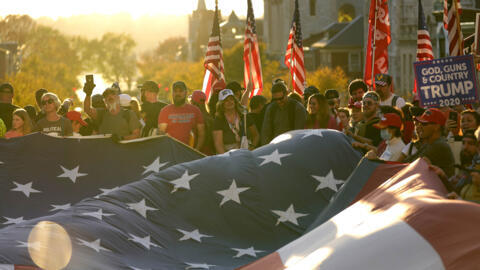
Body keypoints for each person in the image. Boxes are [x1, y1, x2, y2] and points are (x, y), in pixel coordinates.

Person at [404, 108, 455, 177]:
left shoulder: (439, 145)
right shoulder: (429, 143)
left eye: (424, 124)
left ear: (437, 127)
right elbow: (407, 162)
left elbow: (411, 165)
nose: (419, 126)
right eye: (420, 123)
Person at [158, 81, 205, 150]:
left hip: (190, 152)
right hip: (171, 152)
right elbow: (161, 133)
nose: (178, 93)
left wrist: (196, 151)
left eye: (180, 91)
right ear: (172, 93)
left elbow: (202, 134)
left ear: (186, 92)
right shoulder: (165, 111)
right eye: (175, 91)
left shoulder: (195, 110)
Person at [213, 89, 259, 153]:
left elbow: (256, 135)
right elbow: (218, 144)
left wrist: (252, 148)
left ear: (235, 101)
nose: (229, 102)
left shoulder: (244, 115)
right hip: (229, 155)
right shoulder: (219, 120)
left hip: (247, 152)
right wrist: (226, 159)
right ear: (221, 103)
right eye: (226, 100)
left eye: (231, 99)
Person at [190, 90, 215, 155]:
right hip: (209, 154)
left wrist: (194, 152)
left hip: (198, 153)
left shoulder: (196, 118)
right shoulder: (210, 118)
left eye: (191, 101)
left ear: (193, 103)